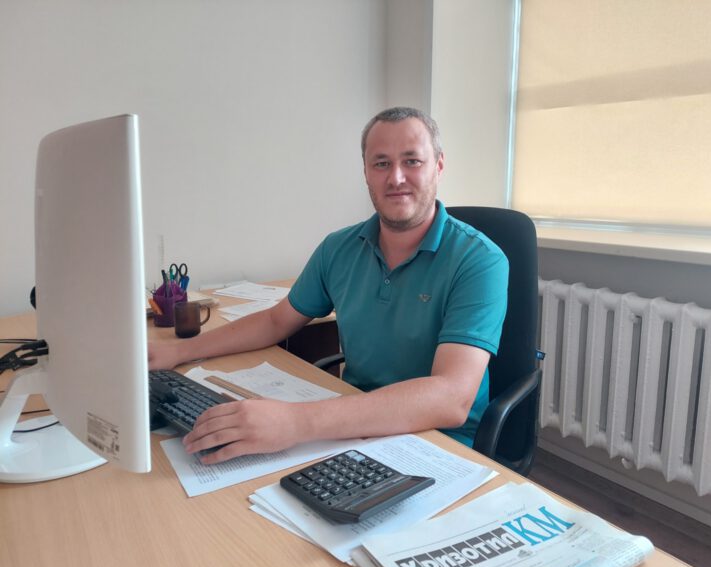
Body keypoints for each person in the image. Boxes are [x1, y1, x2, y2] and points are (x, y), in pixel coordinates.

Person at [148, 107, 509, 464]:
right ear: (365, 172)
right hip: (350, 424)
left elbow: (451, 398)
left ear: (439, 166)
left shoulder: (479, 260)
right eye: (381, 163)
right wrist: (179, 352)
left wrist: (294, 422)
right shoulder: (339, 248)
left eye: (412, 161)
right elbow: (275, 321)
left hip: (437, 444)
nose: (396, 177)